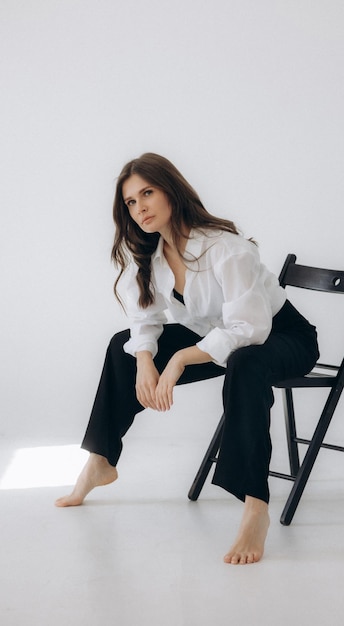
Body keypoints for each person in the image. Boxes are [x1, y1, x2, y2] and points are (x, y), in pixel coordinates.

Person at [55, 153, 319, 565]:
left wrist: (177, 360)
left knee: (246, 363)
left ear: (171, 191)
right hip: (220, 338)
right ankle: (100, 462)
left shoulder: (224, 249)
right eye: (130, 202)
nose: (139, 207)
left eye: (147, 193)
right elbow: (144, 320)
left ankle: (255, 507)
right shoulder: (153, 256)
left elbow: (250, 331)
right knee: (121, 347)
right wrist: (146, 360)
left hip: (282, 337)